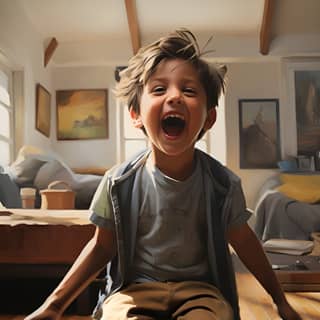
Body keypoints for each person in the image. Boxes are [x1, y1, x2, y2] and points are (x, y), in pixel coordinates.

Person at [26, 29, 301, 320]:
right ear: (135, 114)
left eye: (190, 90)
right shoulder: (117, 182)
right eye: (159, 89)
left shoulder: (223, 184)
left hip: (201, 292)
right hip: (134, 290)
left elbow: (245, 242)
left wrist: (280, 301)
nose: (175, 97)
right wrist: (53, 306)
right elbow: (100, 246)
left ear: (209, 117)